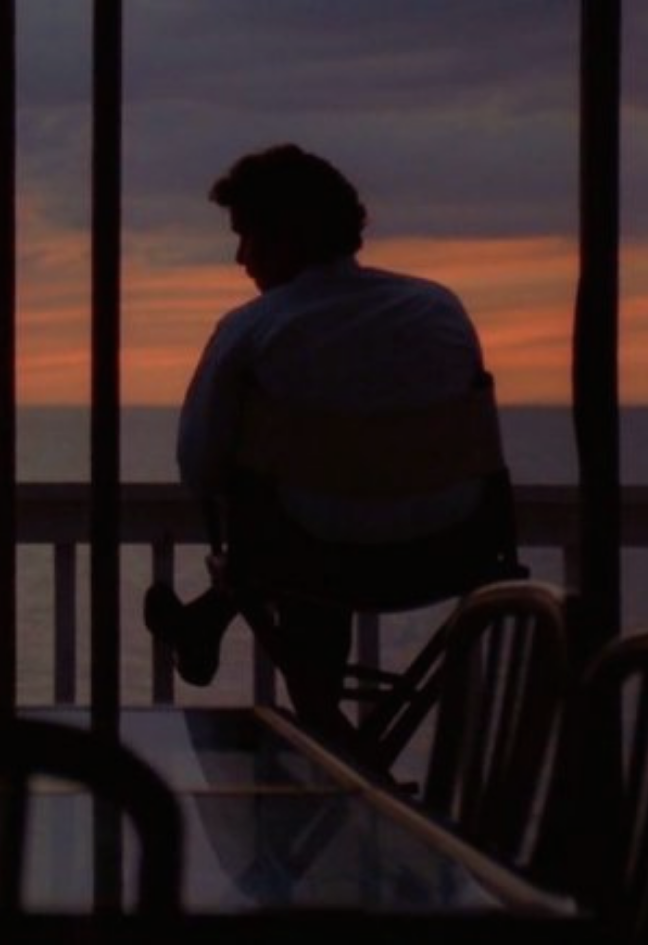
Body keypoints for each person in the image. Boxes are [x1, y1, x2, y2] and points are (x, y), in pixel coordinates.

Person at [145, 144, 489, 745]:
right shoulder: (440, 309)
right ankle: (319, 729)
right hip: (455, 551)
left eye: (246, 237)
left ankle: (330, 746)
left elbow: (198, 467)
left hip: (308, 563)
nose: (239, 258)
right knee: (318, 525)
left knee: (303, 540)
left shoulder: (253, 328)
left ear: (284, 237)